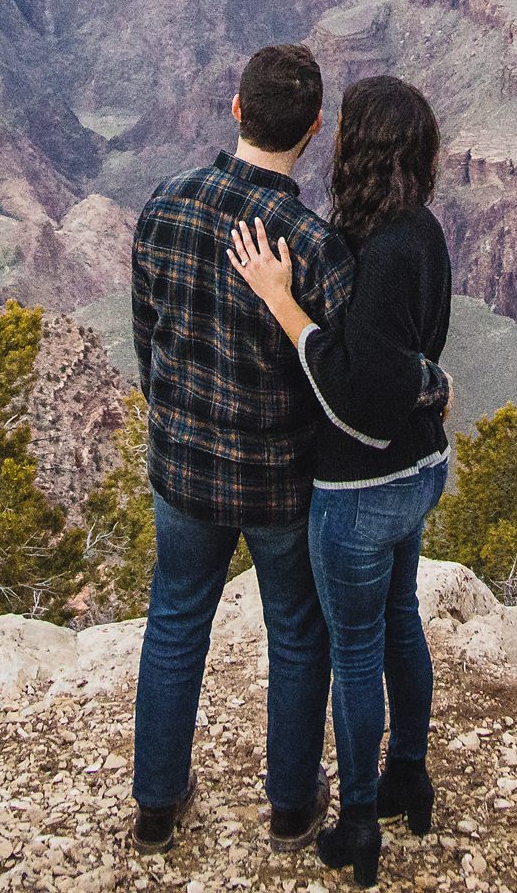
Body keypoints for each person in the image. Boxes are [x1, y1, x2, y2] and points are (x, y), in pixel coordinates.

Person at [127, 43, 357, 855]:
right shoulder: (314, 244)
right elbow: (338, 375)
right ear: (316, 129)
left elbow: (147, 337)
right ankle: (293, 809)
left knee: (175, 619)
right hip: (280, 482)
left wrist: (173, 419)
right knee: (298, 631)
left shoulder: (166, 204)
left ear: (235, 107)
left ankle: (157, 806)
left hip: (183, 467)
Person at [228, 73, 455, 888]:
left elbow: (363, 398)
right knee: (400, 619)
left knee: (356, 649)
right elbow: (415, 361)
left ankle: (359, 822)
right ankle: (409, 779)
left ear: (355, 147)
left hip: (364, 488)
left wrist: (281, 302)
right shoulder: (418, 231)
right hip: (421, 470)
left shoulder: (385, 251)